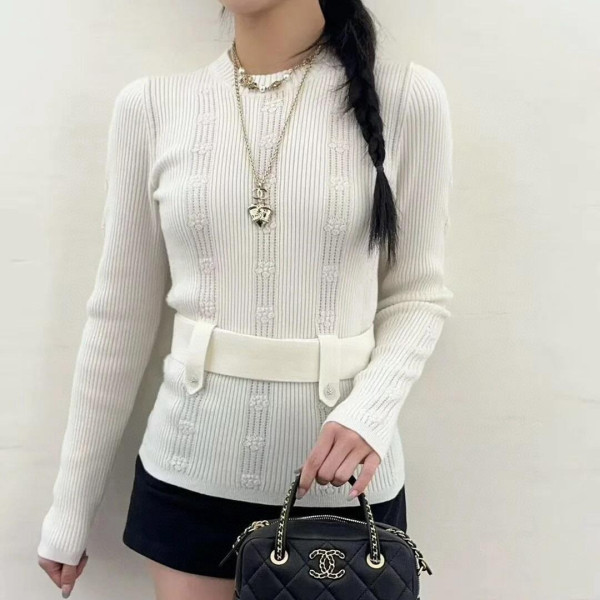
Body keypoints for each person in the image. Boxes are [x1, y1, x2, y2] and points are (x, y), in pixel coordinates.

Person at [37, 0, 454, 598]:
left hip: (344, 488)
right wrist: (70, 508)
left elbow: (418, 293)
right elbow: (118, 319)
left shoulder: (407, 98)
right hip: (188, 477)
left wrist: (370, 410)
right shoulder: (152, 107)